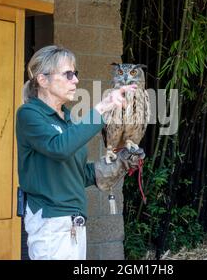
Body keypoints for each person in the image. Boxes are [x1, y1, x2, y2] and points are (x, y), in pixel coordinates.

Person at [15, 45, 144, 260]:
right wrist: (102, 108)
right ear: (43, 80)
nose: (75, 80)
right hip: (50, 223)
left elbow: (76, 173)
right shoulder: (29, 114)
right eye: (68, 74)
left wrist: (116, 165)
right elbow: (60, 148)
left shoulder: (67, 118)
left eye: (75, 74)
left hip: (75, 222)